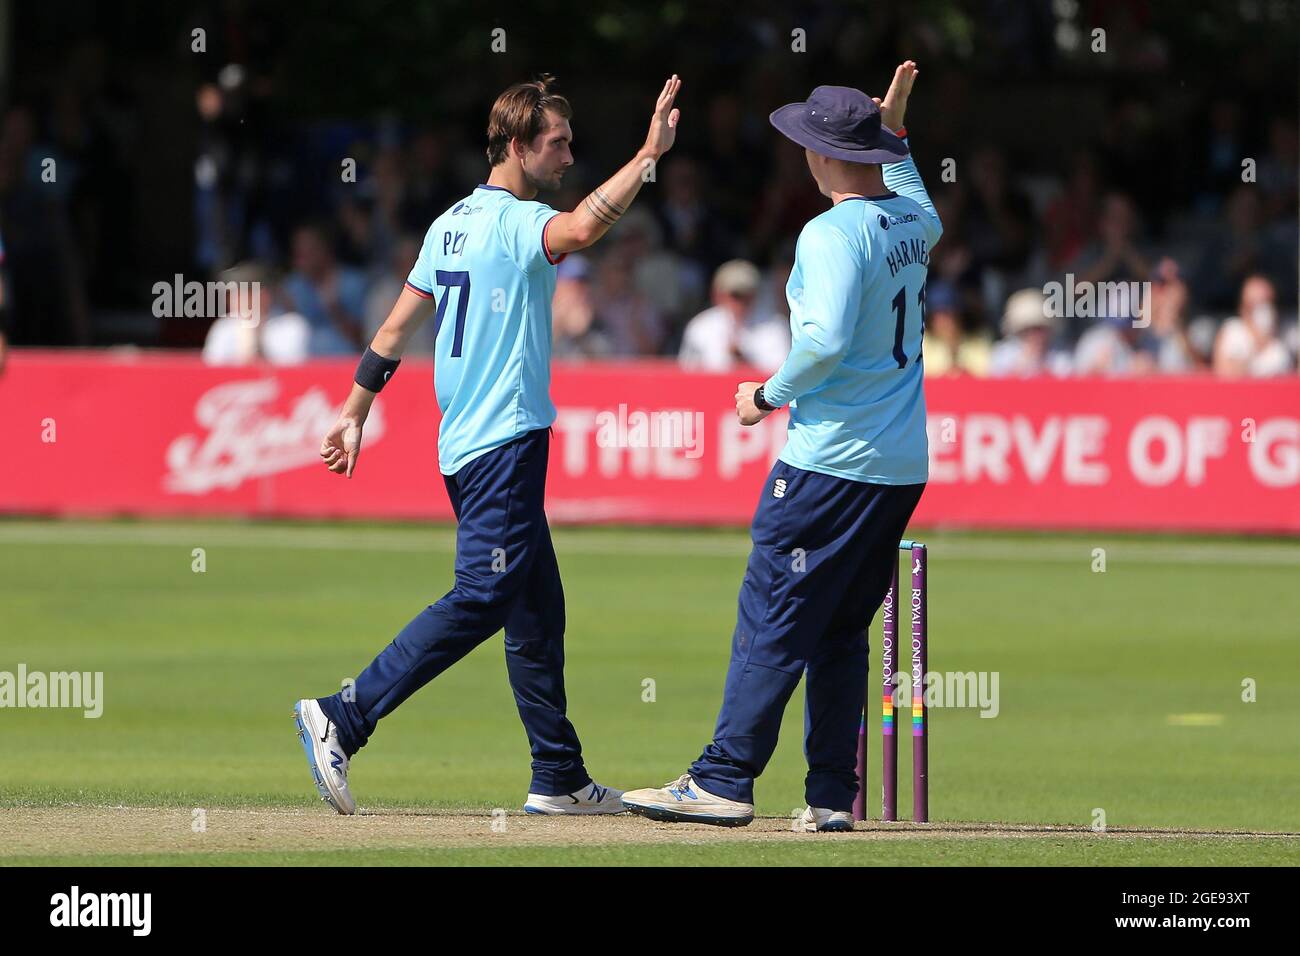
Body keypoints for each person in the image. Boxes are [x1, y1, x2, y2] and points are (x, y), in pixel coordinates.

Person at [295, 73, 683, 816]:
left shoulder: (449, 225)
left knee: (537, 609)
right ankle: (341, 715)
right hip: (503, 441)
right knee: (484, 596)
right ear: (516, 145)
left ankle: (558, 776)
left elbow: (393, 331)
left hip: (467, 446)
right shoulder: (511, 222)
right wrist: (647, 154)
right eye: (557, 142)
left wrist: (353, 411)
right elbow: (581, 230)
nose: (569, 155)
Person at [621, 62, 939, 831]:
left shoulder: (831, 231)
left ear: (824, 155)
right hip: (899, 467)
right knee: (839, 632)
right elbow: (912, 184)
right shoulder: (913, 221)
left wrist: (767, 394)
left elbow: (824, 339)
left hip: (829, 462)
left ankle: (724, 778)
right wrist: (892, 131)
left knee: (773, 614)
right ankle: (832, 796)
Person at [678, 259, 790, 373]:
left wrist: (744, 359)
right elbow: (686, 371)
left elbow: (782, 374)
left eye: (746, 294)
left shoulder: (776, 326)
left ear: (755, 294)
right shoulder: (701, 326)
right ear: (717, 294)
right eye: (735, 294)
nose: (741, 301)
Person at [201, 262, 310, 366]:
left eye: (241, 293)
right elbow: (210, 369)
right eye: (230, 294)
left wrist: (253, 332)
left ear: (263, 295)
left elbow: (294, 370)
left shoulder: (292, 326)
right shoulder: (223, 327)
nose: (233, 300)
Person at [1213, 275, 1293, 377]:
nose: (1262, 309)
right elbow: (1222, 372)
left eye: (1266, 302)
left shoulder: (1287, 332)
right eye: (1254, 303)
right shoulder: (1232, 330)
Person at [988, 288, 1073, 377]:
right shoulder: (1003, 354)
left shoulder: (1060, 356)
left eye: (1041, 328)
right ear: (1020, 331)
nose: (1037, 335)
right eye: (1030, 329)